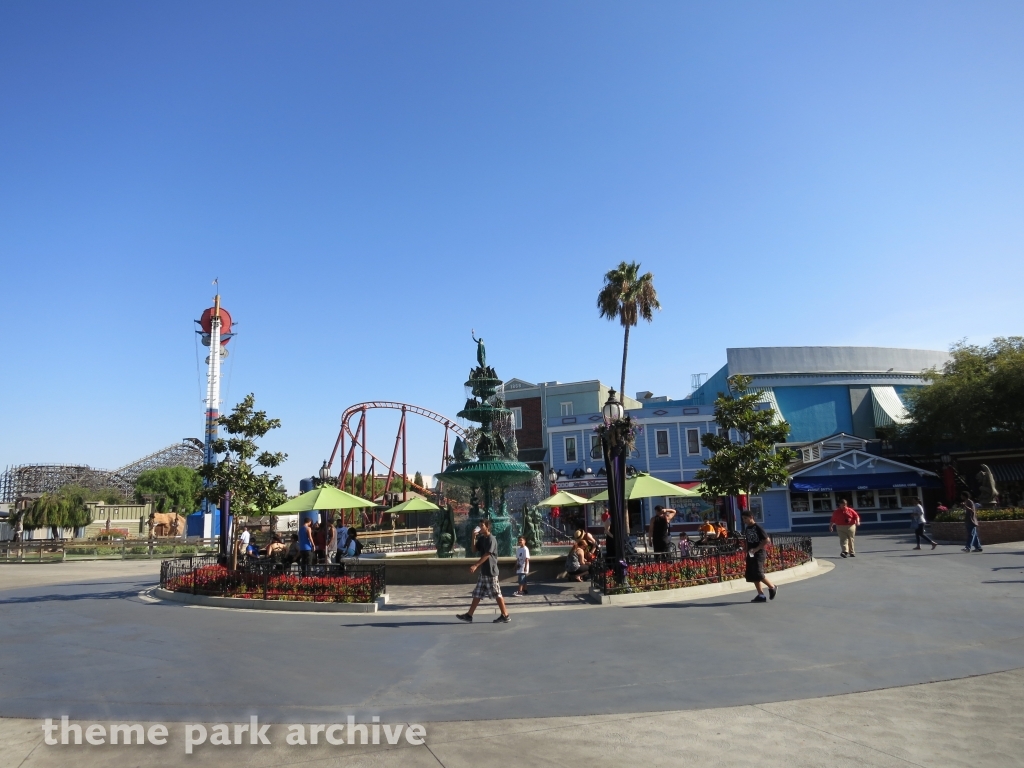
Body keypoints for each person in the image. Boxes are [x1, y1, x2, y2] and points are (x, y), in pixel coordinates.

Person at [457, 519, 510, 624]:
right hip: (484, 572)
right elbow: (473, 550)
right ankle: (469, 615)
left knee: (497, 593)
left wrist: (476, 565)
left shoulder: (491, 539)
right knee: (477, 593)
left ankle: (505, 615)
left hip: (491, 571)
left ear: (487, 527)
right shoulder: (482, 539)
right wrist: (473, 537)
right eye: (479, 526)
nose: (480, 528)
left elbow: (487, 554)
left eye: (482, 526)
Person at [741, 509, 777, 602]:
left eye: (745, 518)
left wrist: (757, 549)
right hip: (751, 553)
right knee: (753, 574)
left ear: (751, 517)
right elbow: (748, 541)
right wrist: (746, 550)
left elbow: (767, 540)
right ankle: (761, 595)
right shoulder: (747, 528)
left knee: (758, 573)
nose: (744, 520)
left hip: (759, 553)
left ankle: (772, 587)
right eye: (743, 519)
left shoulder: (758, 527)